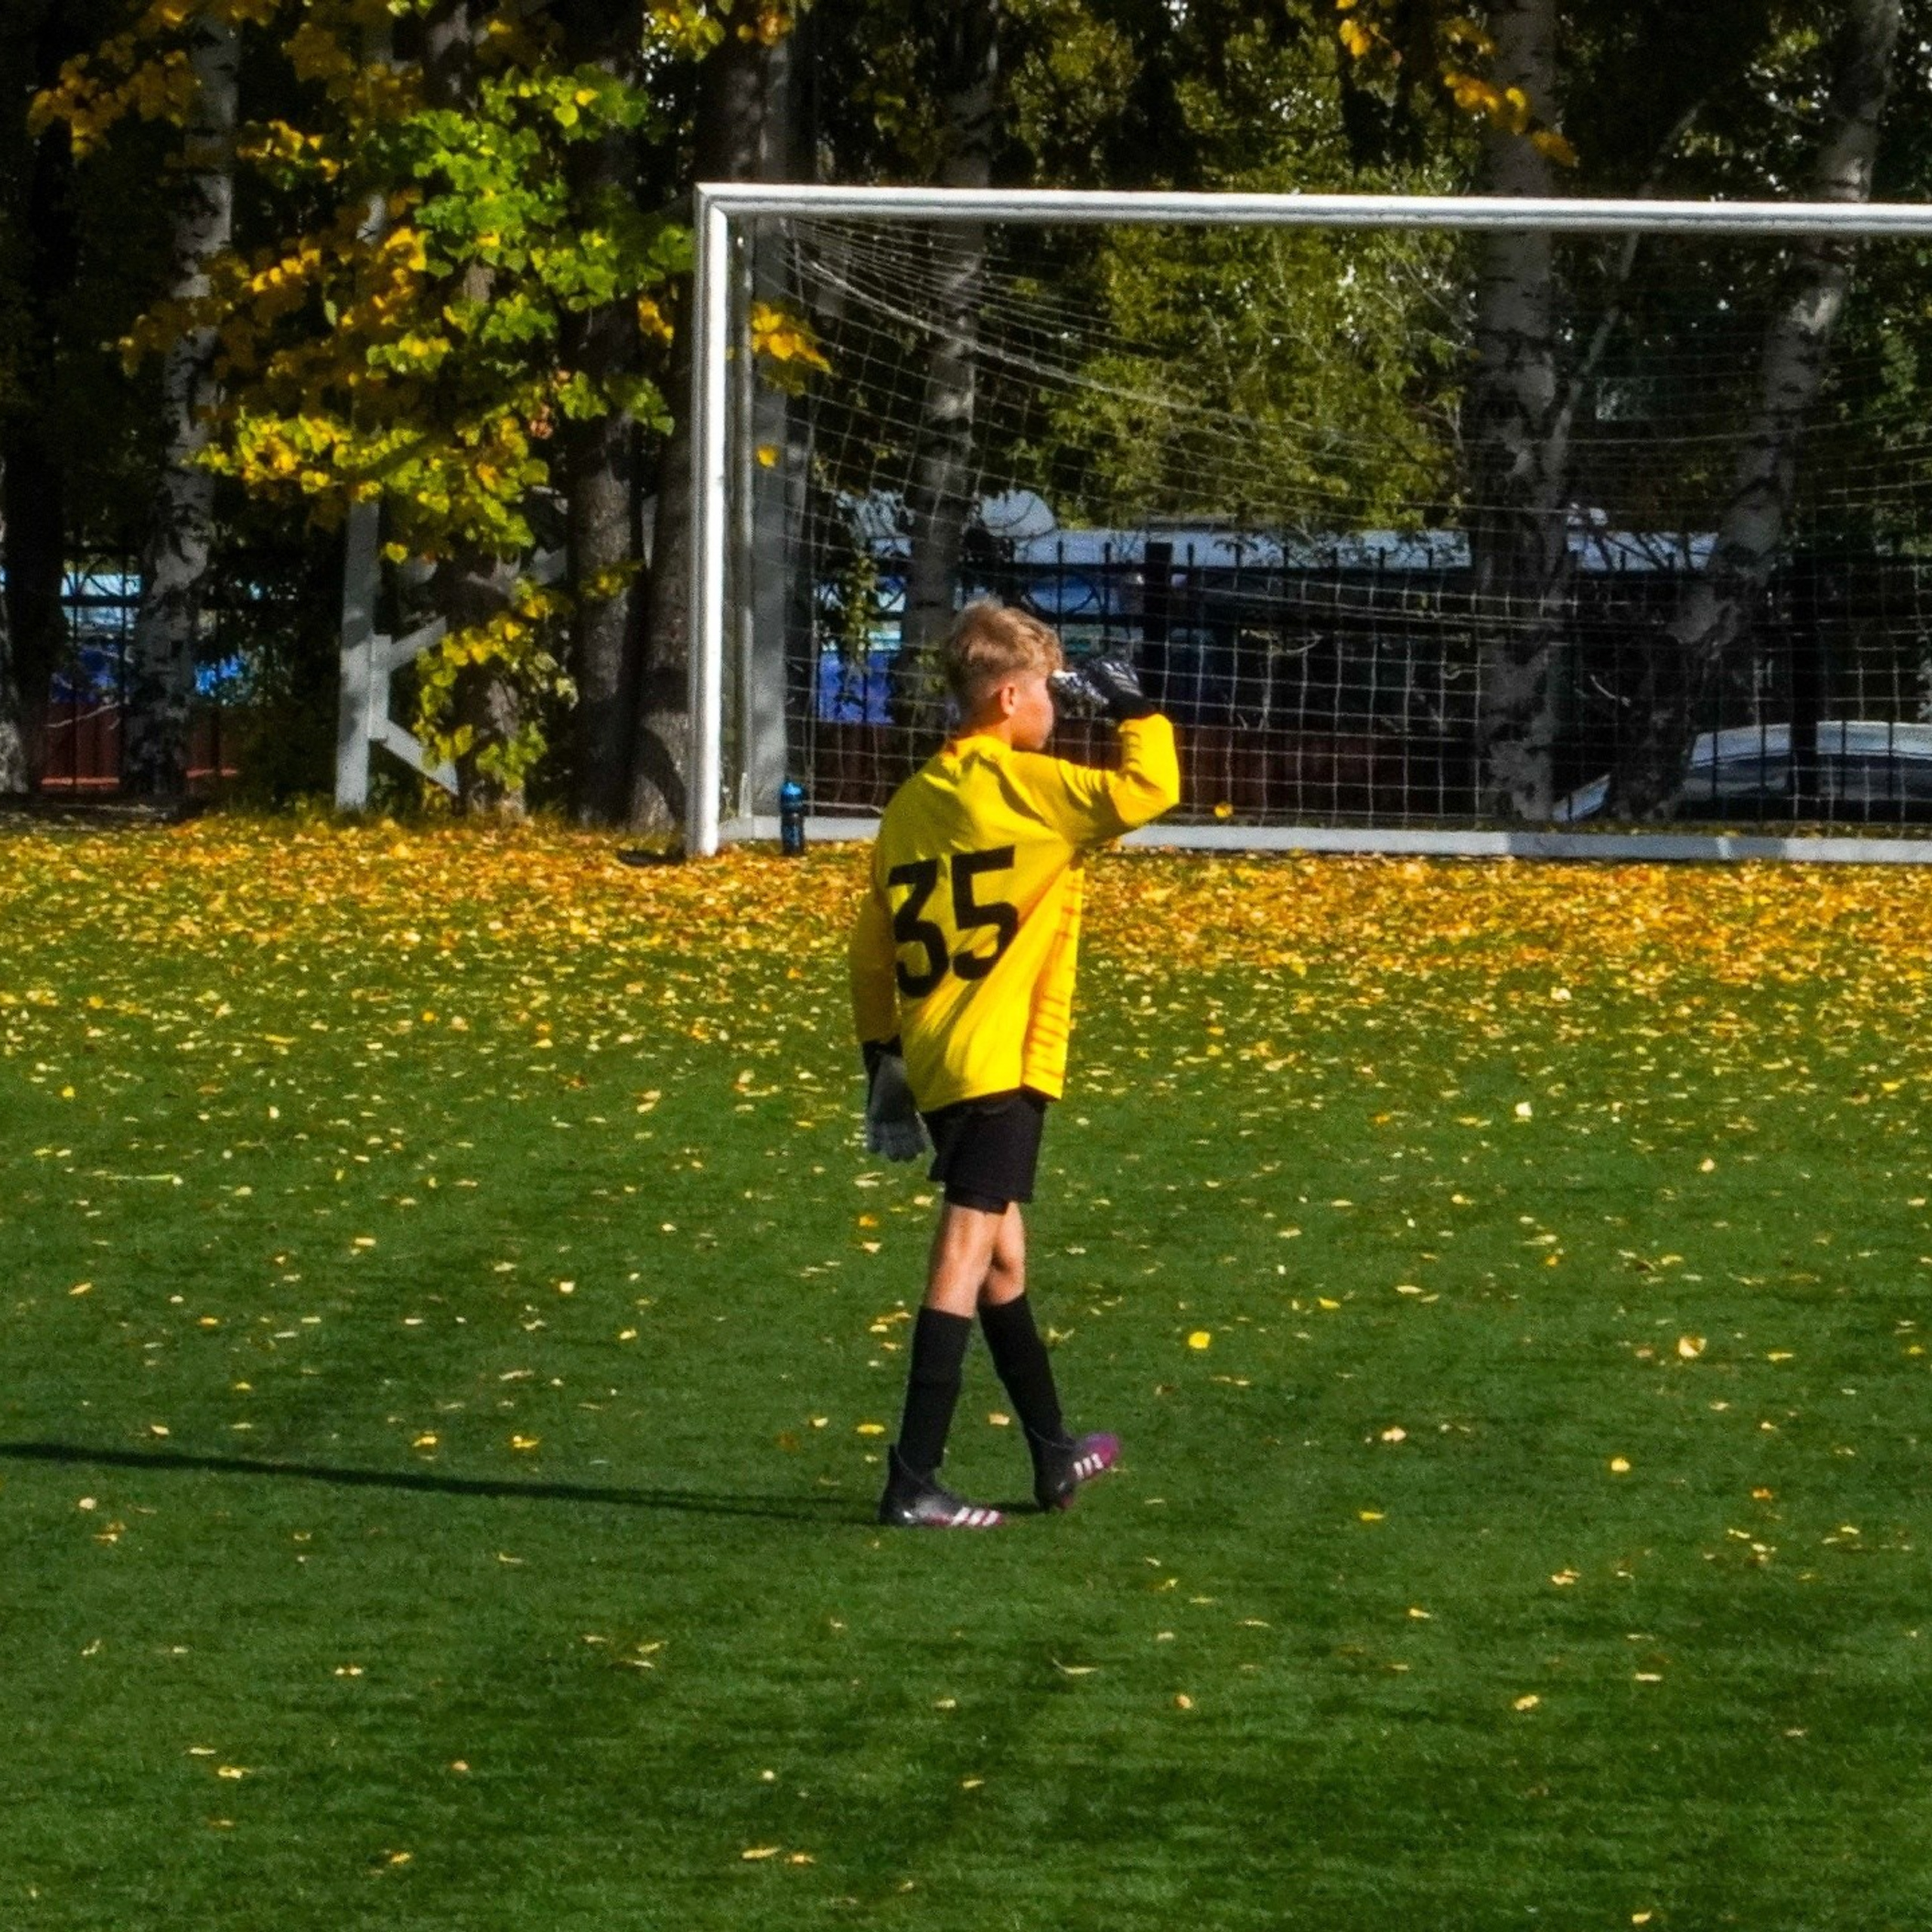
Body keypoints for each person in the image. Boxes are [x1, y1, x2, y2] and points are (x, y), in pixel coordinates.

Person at [848, 599, 1181, 1528]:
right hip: (1000, 1060)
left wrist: (883, 1057)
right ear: (1005, 697)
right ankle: (912, 1479)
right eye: (1047, 693)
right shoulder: (1031, 785)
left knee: (1002, 1262)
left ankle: (1051, 1455)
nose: (1057, 711)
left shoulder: (911, 802)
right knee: (961, 1255)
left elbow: (870, 952)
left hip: (941, 1056)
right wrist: (1138, 713)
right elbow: (1144, 793)